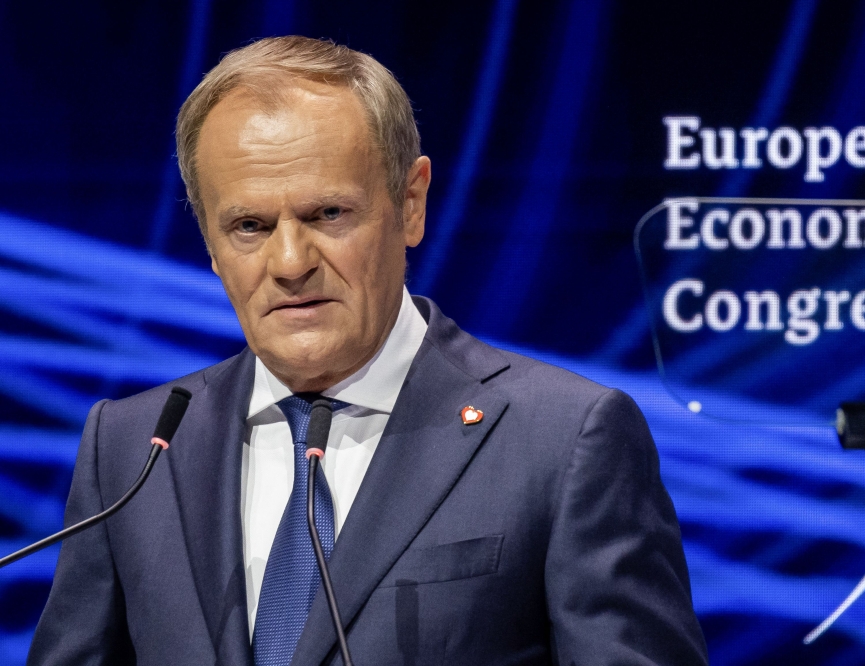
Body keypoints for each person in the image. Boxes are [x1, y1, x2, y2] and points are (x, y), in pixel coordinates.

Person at [28, 36, 708, 665]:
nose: (290, 261)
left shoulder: (561, 442)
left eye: (328, 214)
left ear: (410, 203)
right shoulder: (131, 449)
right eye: (248, 226)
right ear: (208, 242)